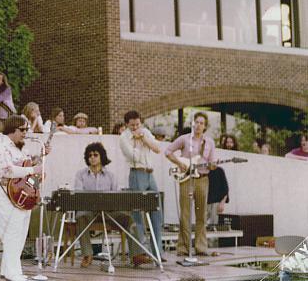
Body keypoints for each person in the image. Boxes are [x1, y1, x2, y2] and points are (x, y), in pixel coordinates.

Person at [74, 142, 149, 267]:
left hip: (109, 211)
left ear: (101, 157)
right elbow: (78, 194)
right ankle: (87, 255)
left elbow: (117, 196)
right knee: (80, 217)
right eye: (89, 155)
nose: (92, 157)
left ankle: (136, 255)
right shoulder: (80, 174)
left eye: (95, 155)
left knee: (128, 219)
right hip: (89, 211)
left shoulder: (111, 176)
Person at [0, 115, 45, 281]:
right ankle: (14, 272)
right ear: (11, 129)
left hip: (19, 194)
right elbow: (7, 170)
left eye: (26, 129)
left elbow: (28, 167)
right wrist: (33, 170)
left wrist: (39, 164)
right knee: (11, 232)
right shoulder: (0, 146)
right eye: (22, 130)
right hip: (2, 192)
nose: (25, 133)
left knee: (19, 232)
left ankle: (7, 270)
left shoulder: (20, 148)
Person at [165, 112, 217, 257]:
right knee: (185, 214)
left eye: (202, 123)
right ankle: (183, 248)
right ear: (193, 123)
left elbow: (212, 162)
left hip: (202, 178)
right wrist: (179, 163)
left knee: (201, 215)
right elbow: (168, 151)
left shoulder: (210, 143)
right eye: (197, 122)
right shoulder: (184, 139)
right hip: (187, 178)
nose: (199, 125)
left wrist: (213, 165)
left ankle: (200, 247)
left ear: (205, 126)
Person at [119, 110, 164, 262]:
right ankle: (141, 252)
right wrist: (137, 140)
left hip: (150, 174)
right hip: (137, 173)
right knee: (137, 215)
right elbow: (134, 156)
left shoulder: (144, 132)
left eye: (138, 124)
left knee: (156, 211)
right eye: (132, 125)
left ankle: (157, 252)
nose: (136, 127)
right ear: (126, 124)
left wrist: (144, 138)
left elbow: (157, 148)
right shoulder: (124, 138)